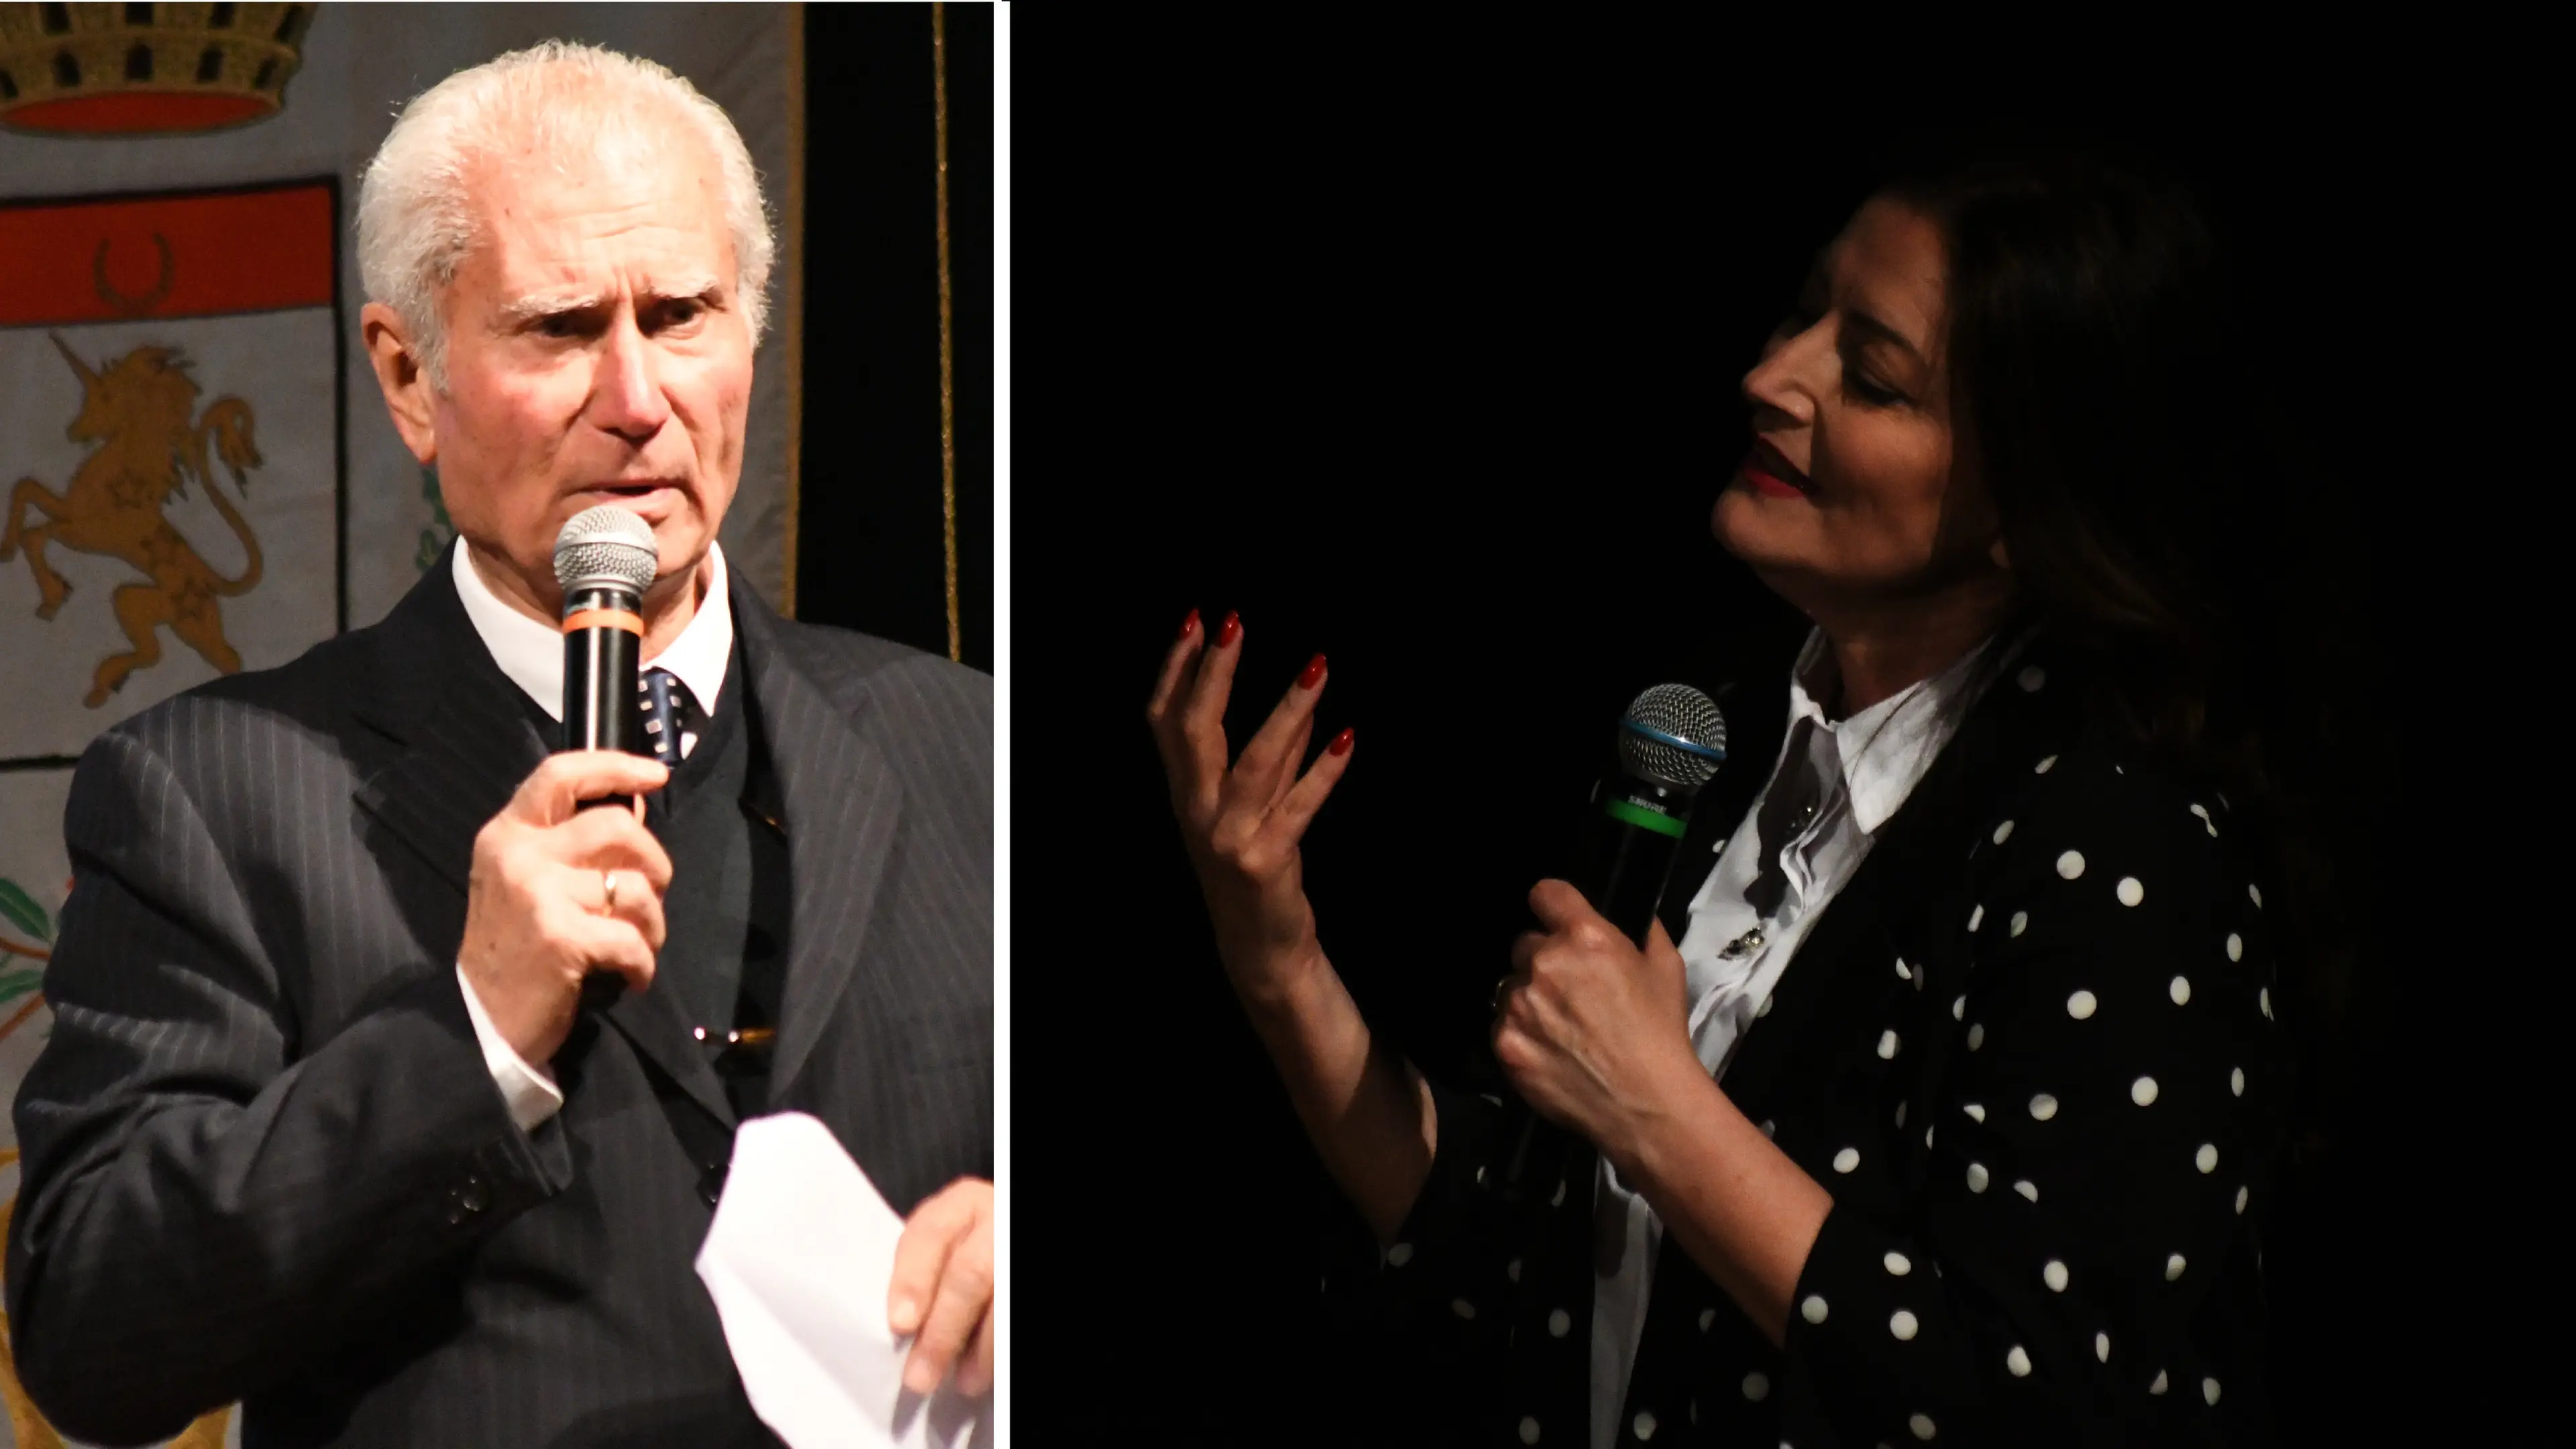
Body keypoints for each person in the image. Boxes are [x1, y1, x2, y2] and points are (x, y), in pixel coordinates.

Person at [1148, 134, 2337, 1446]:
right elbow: (1516, 1260)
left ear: (2029, 503)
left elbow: (2028, 1399)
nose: (1769, 379)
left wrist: (1657, 1109)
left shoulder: (2117, 849)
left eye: (1871, 377)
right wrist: (1279, 962)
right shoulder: (1714, 739)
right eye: (1801, 315)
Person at [5, 42, 993, 1448]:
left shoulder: (968, 747)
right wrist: (471, 1035)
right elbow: (92, 1334)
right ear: (410, 377)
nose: (637, 397)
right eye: (560, 328)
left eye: (682, 315)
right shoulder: (215, 795)